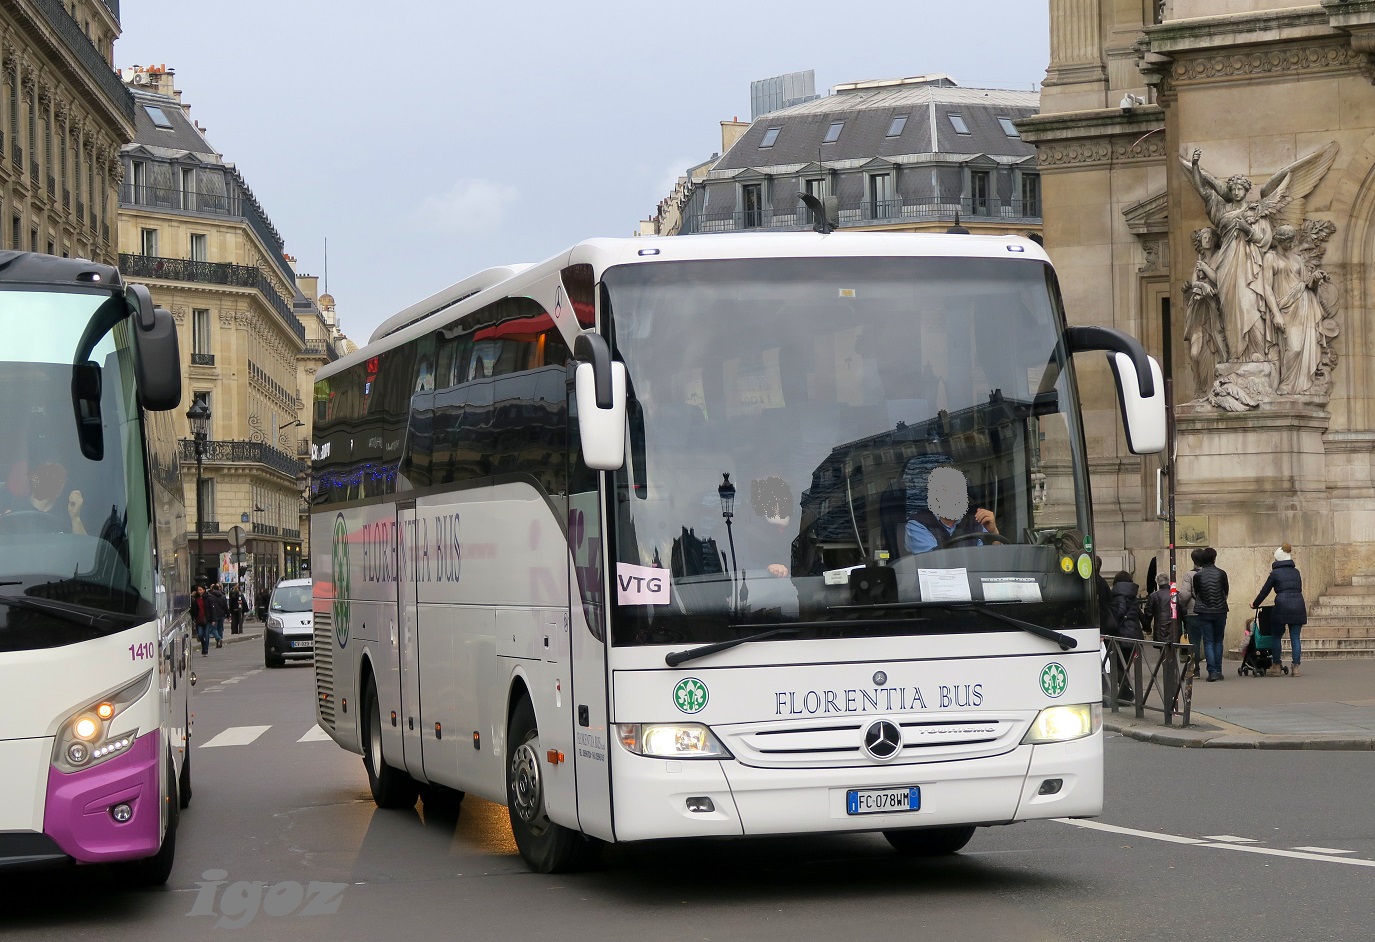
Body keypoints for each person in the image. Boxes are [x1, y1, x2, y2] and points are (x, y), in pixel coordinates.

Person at [904, 464, 998, 554]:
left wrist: (994, 532)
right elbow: (933, 564)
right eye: (944, 489)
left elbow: (993, 559)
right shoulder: (917, 524)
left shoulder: (976, 518)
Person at [1252, 542, 1307, 677]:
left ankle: (1276, 665)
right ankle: (1296, 667)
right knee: (1295, 637)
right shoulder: (1296, 572)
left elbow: (1265, 591)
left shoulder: (1275, 574)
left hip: (1282, 604)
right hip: (1298, 604)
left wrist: (1255, 603)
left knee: (1276, 636)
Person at [1192, 546, 1231, 682]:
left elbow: (1196, 592)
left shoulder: (1198, 576)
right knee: (1218, 640)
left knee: (1208, 641)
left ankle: (1212, 671)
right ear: (1214, 559)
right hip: (1220, 610)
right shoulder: (1221, 573)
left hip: (1204, 610)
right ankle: (1218, 670)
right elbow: (1226, 591)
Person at [1177, 549, 1204, 677]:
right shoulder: (1213, 573)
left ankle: (1195, 669)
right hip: (1210, 611)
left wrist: (1183, 605)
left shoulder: (1189, 575)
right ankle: (1215, 669)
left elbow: (1184, 595)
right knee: (1211, 641)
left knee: (1194, 642)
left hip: (1193, 611)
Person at [1143, 573, 1174, 642]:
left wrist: (1147, 628)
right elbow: (1183, 611)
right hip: (1175, 629)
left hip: (1160, 630)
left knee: (1162, 649)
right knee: (1175, 650)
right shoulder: (1175, 594)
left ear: (1157, 582)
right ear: (1168, 581)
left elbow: (1148, 613)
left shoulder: (1154, 596)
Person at [206, 582, 228, 649]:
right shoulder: (223, 596)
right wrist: (228, 614)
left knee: (213, 629)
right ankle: (219, 641)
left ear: (212, 589)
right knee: (220, 629)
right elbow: (225, 606)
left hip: (214, 615)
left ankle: (218, 639)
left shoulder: (210, 597)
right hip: (221, 614)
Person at [190, 585, 210, 656]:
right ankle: (203, 645)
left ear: (204, 590)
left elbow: (212, 609)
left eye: (201, 590)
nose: (199, 591)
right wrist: (193, 618)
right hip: (199, 619)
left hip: (207, 619)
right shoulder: (195, 599)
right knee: (200, 635)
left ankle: (205, 650)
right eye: (198, 590)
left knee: (206, 635)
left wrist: (213, 619)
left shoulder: (208, 598)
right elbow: (193, 610)